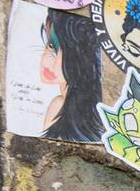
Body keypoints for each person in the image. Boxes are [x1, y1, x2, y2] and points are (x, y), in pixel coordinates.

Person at [41, 8, 106, 144]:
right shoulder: (65, 106)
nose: (48, 58)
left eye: (56, 46)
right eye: (51, 45)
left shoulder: (60, 106)